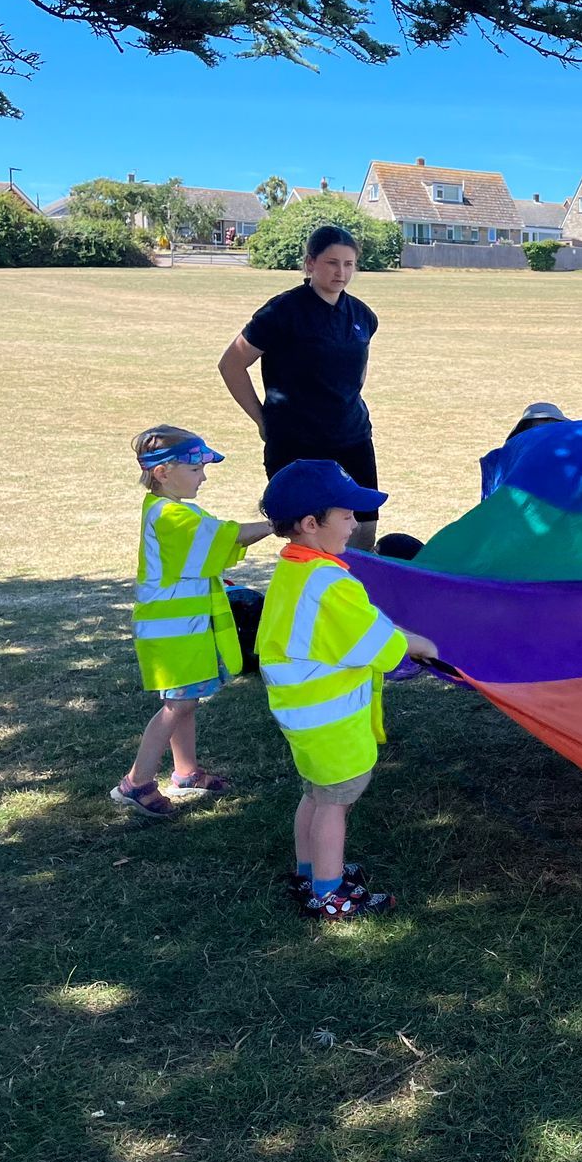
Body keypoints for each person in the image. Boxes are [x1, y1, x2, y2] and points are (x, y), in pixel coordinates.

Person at [257, 460, 438, 920]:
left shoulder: (296, 570)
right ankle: (330, 892)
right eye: (347, 516)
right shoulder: (328, 581)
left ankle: (309, 870)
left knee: (316, 795)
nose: (355, 524)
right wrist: (416, 643)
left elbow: (347, 627)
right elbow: (374, 644)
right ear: (310, 524)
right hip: (330, 720)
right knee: (336, 802)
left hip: (302, 717)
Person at [113, 427, 275, 816]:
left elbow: (217, 540)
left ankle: (185, 773)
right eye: (196, 468)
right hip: (172, 633)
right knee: (176, 705)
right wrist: (277, 525)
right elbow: (225, 537)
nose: (202, 476)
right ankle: (136, 783)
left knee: (186, 701)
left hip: (185, 630)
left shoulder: (174, 510)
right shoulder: (170, 515)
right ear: (164, 472)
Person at [219, 225, 384, 551]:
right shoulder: (282, 312)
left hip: (352, 440)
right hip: (296, 445)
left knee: (361, 531)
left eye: (349, 264)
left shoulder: (363, 316)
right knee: (310, 537)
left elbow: (357, 373)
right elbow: (231, 364)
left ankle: (354, 599)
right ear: (310, 264)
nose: (341, 272)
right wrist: (262, 421)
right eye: (332, 262)